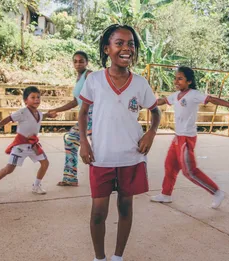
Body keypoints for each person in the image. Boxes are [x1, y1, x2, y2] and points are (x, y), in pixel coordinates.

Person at [78, 24, 161, 261]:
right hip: (101, 157)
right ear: (107, 48)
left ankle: (117, 257)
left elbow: (156, 112)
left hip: (130, 156)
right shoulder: (94, 80)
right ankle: (99, 258)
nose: (126, 49)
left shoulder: (140, 83)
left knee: (125, 208)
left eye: (131, 44)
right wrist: (84, 141)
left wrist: (151, 133)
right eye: (119, 43)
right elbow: (83, 113)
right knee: (98, 213)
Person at [150, 66, 229, 208]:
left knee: (190, 171)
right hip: (178, 137)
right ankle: (166, 194)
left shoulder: (194, 94)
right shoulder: (175, 95)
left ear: (189, 81)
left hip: (187, 138)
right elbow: (161, 101)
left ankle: (217, 192)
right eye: (175, 78)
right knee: (170, 166)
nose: (176, 81)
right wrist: (143, 103)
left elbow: (213, 100)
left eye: (180, 78)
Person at [0, 86, 56, 195]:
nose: (36, 99)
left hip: (33, 145)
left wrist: (49, 115)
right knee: (9, 168)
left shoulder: (39, 113)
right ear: (25, 100)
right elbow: (8, 119)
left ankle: (36, 186)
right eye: (33, 97)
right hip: (21, 145)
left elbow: (42, 116)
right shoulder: (22, 112)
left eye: (38, 97)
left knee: (45, 163)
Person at [49, 51, 93, 187]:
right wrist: (57, 110)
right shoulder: (79, 78)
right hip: (84, 116)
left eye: (81, 61)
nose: (78, 63)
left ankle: (110, 179)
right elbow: (75, 101)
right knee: (70, 139)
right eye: (75, 61)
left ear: (86, 62)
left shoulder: (89, 75)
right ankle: (70, 178)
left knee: (99, 146)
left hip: (94, 115)